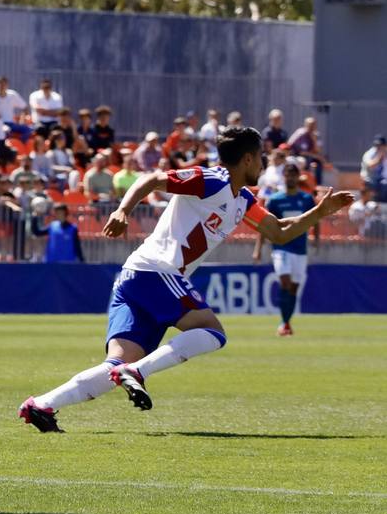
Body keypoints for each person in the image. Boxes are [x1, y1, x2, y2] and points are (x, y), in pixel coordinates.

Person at [18, 127, 353, 433]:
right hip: (156, 271)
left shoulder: (242, 199)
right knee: (212, 332)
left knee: (117, 365)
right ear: (249, 158)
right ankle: (139, 374)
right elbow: (151, 179)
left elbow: (278, 231)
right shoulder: (212, 181)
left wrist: (320, 213)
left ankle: (42, 406)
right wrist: (123, 210)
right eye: (261, 158)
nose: (263, 165)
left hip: (137, 276)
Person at [252, 163, 317, 336]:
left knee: (294, 287)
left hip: (300, 248)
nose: (291, 178)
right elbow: (265, 225)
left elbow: (315, 218)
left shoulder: (306, 199)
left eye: (293, 175)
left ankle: (287, 322)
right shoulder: (275, 200)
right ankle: (283, 322)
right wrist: (258, 248)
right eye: (288, 175)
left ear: (298, 177)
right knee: (285, 282)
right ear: (284, 177)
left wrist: (316, 238)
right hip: (281, 247)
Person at [362, 135, 387, 202]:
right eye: (377, 145)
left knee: (385, 184)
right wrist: (379, 158)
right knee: (373, 185)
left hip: (382, 178)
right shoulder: (369, 153)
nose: (379, 147)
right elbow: (370, 166)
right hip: (370, 178)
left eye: (381, 145)